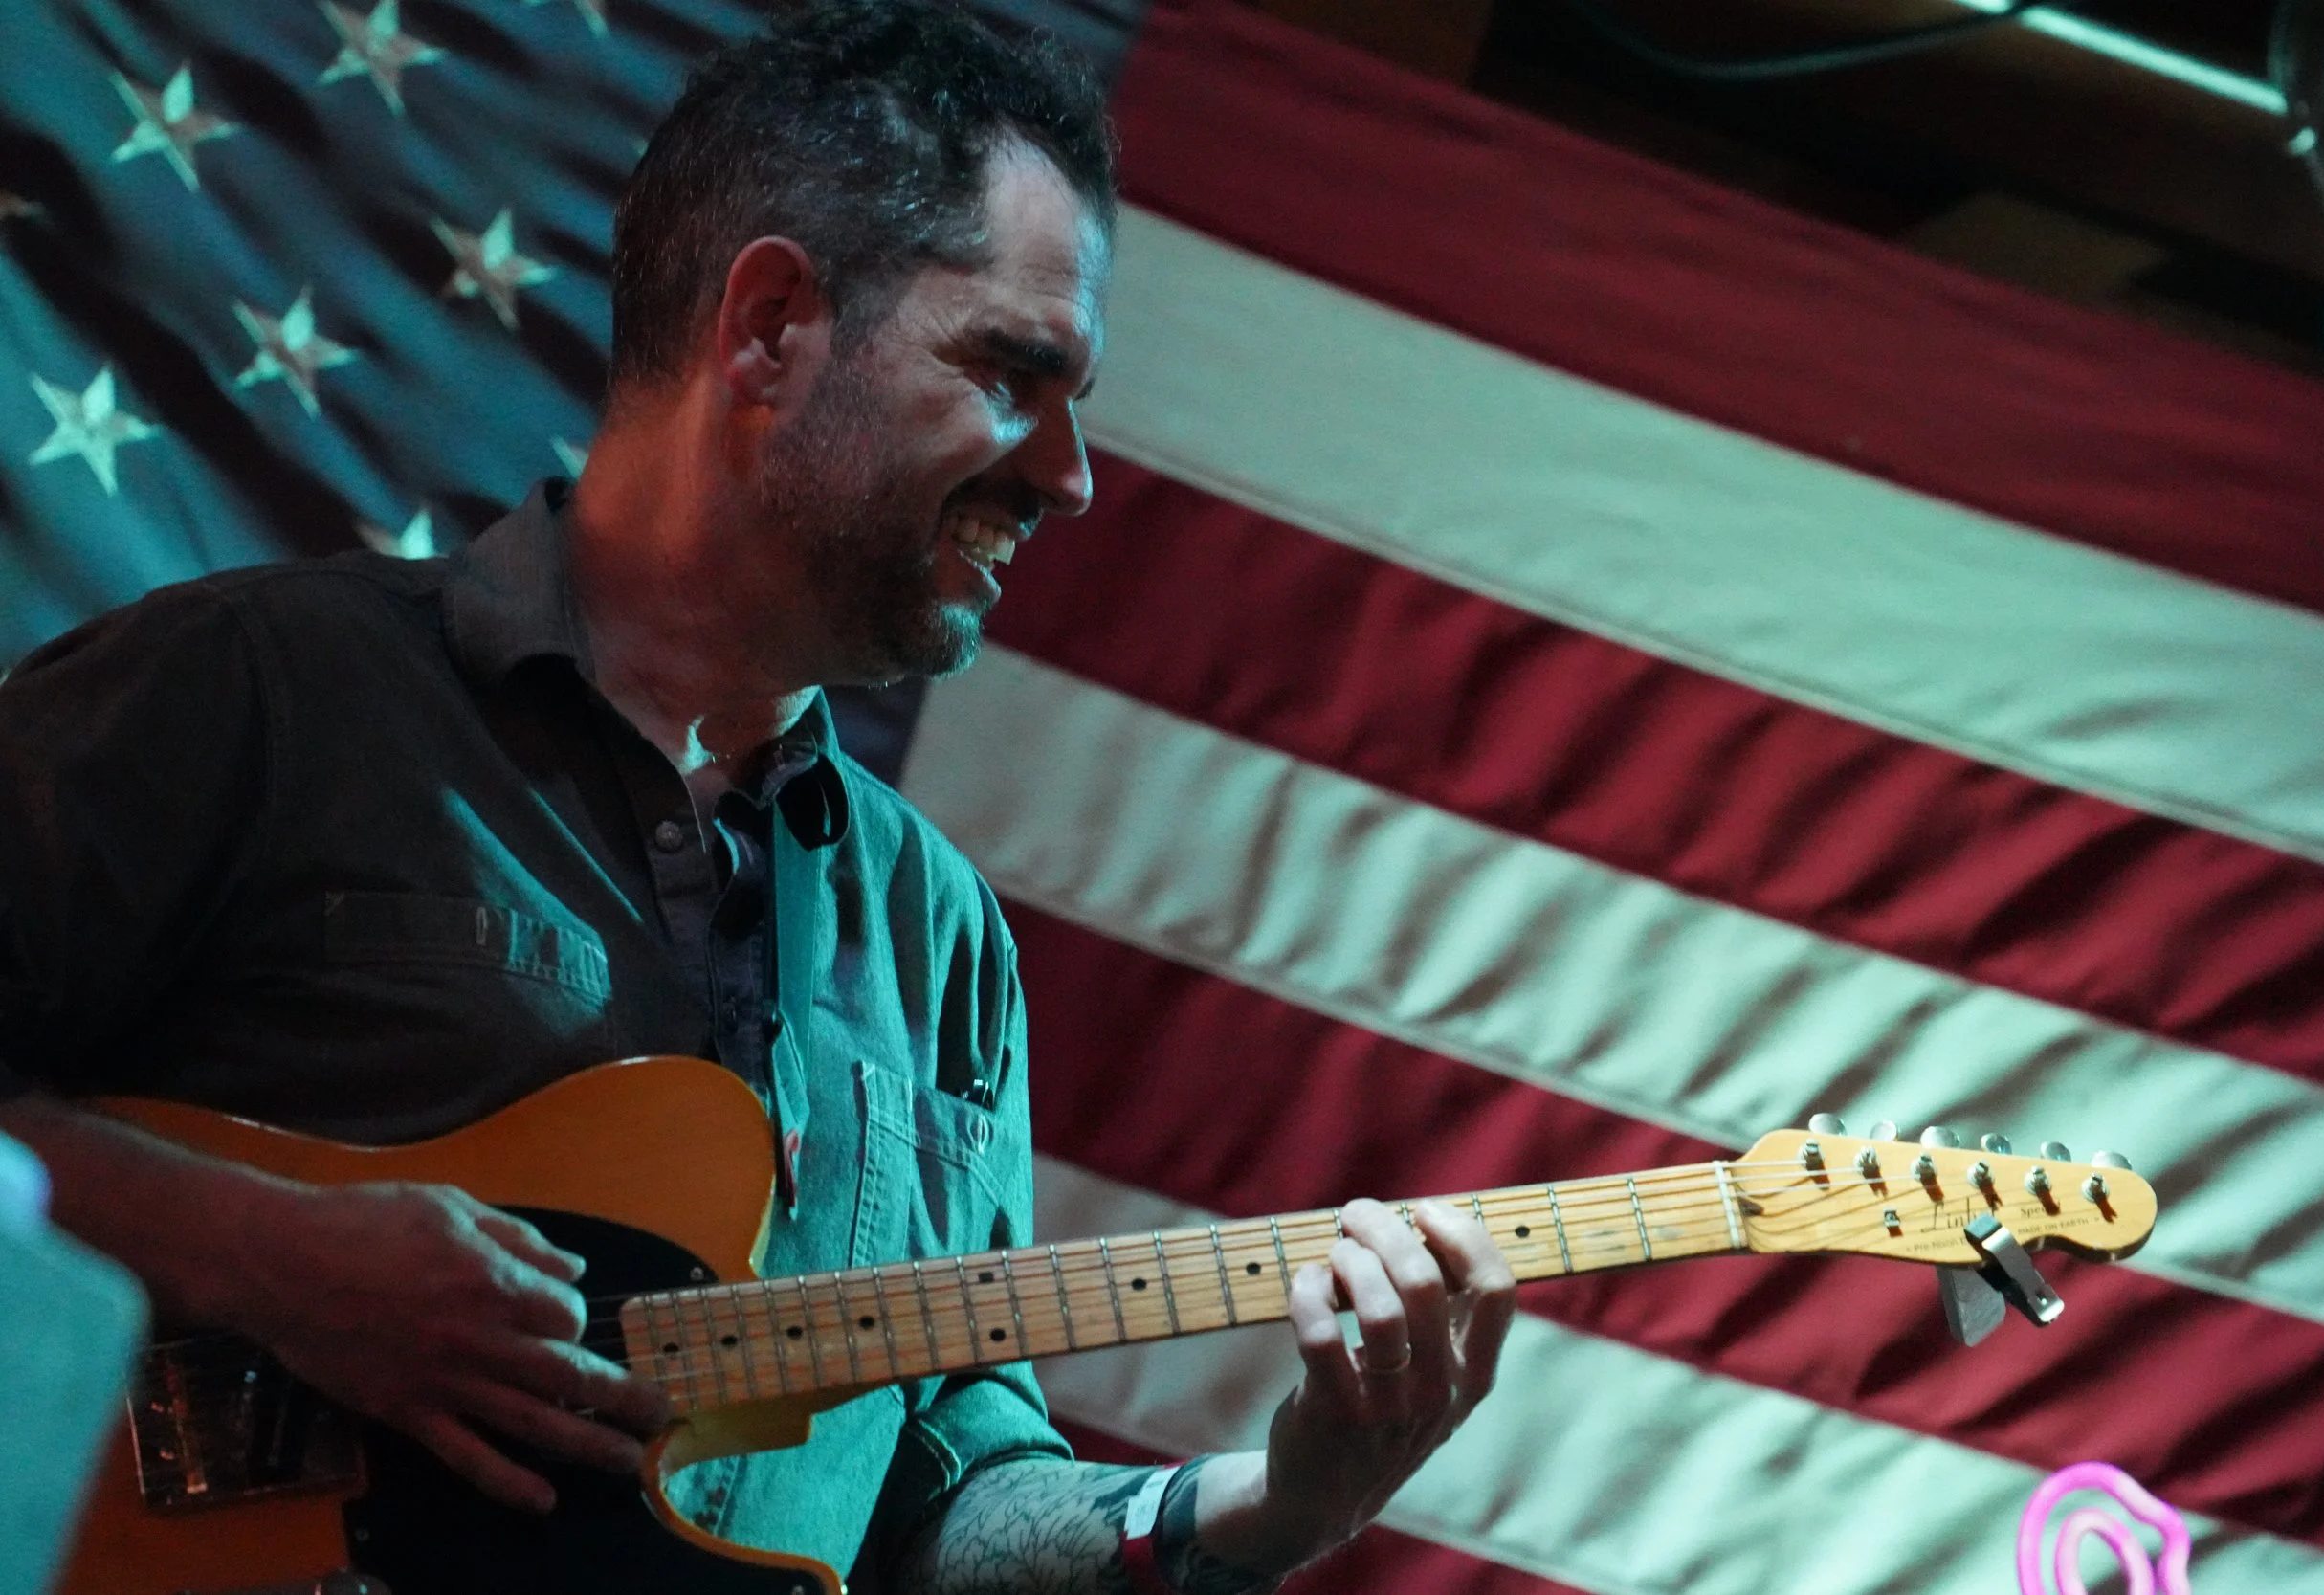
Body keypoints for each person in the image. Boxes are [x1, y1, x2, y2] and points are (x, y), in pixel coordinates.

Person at [0, 4, 1516, 1591]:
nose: (1068, 473)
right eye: (1015, 372)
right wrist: (263, 1254)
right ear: (774, 324)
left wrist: (1272, 1502)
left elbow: (945, 1512)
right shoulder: (264, 686)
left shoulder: (942, 944)